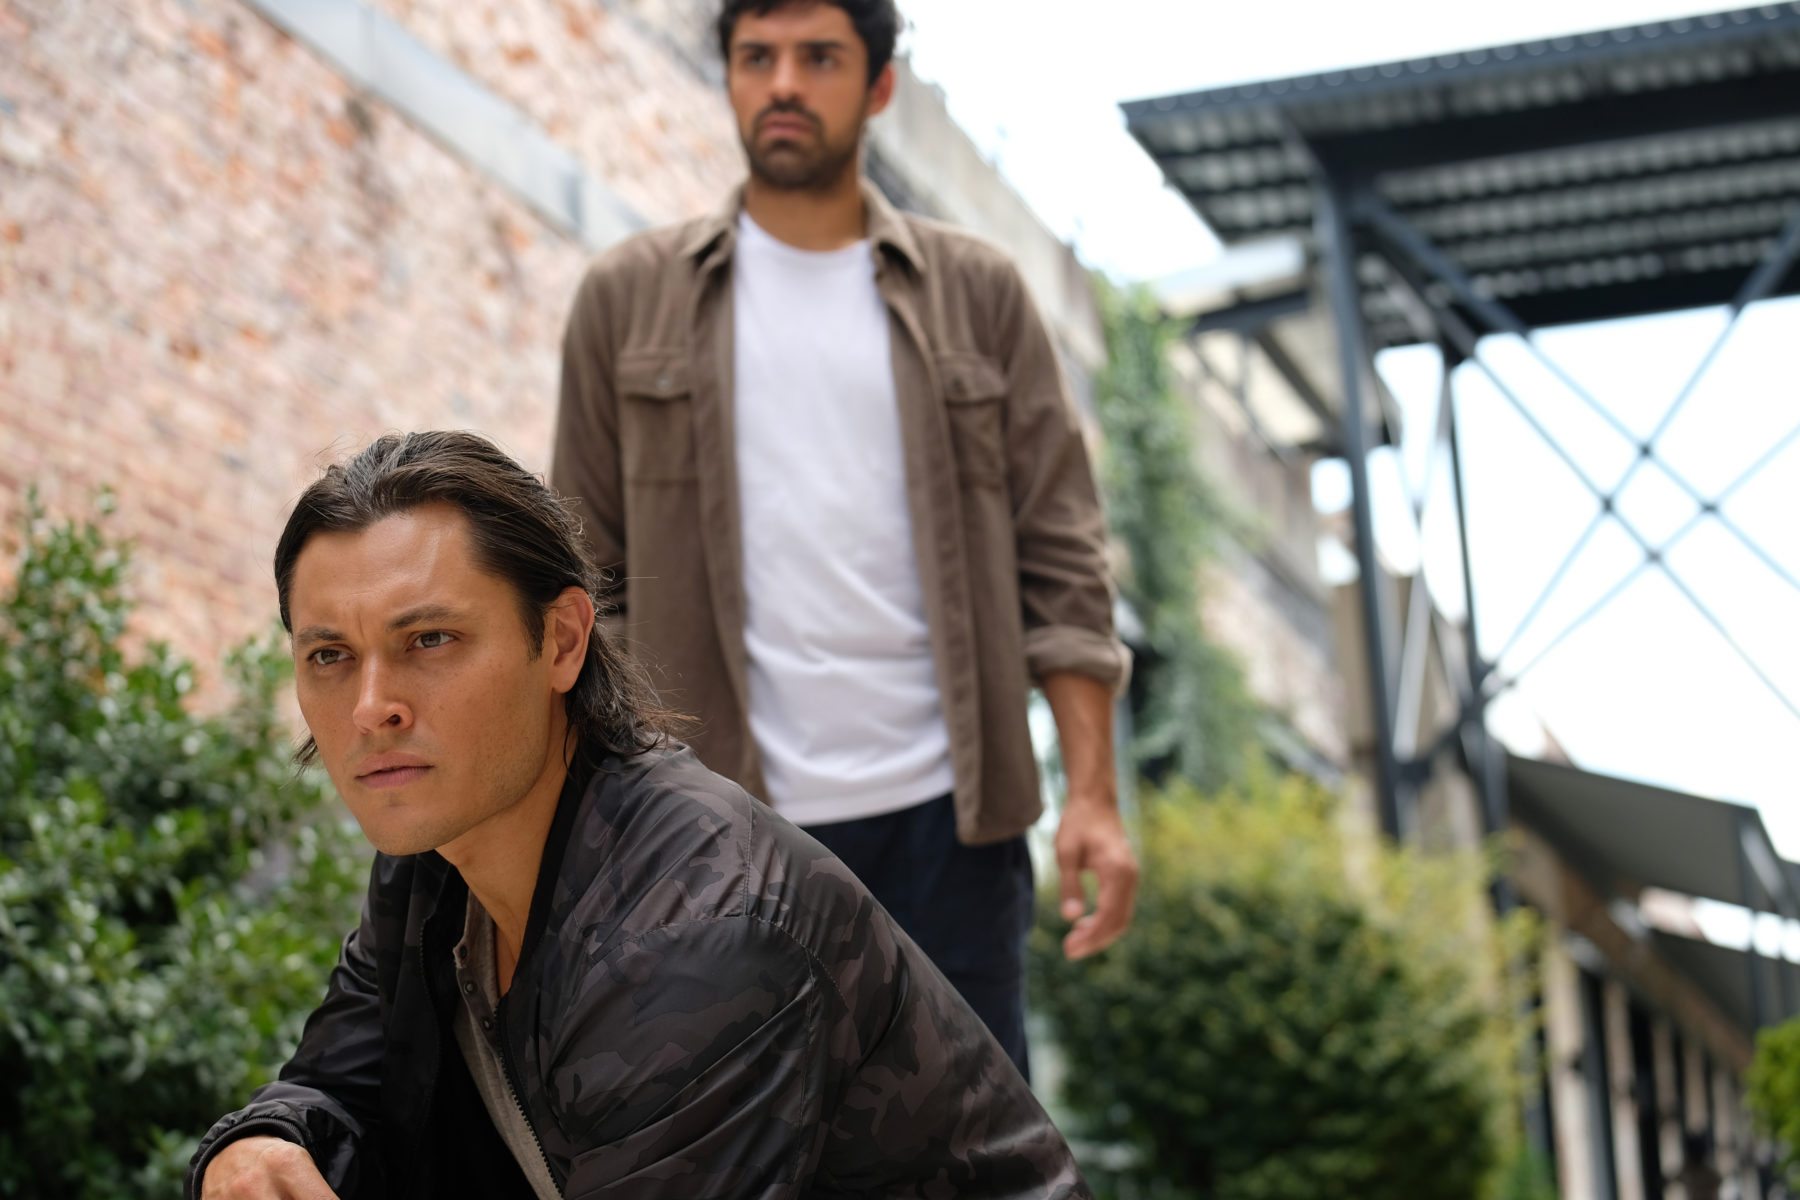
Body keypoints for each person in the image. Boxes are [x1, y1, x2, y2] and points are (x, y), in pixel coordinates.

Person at [185, 431, 1090, 1199]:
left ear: (563, 641)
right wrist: (257, 1145)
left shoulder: (697, 932)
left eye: (430, 639)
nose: (370, 707)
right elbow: (341, 1088)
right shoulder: (437, 858)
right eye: (330, 655)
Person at [550, 0, 1137, 1076]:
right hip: (716, 830)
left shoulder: (979, 296)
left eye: (819, 57)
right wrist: (616, 813)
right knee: (745, 1147)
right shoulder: (626, 301)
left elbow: (1062, 561)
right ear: (730, 77)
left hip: (951, 832)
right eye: (756, 57)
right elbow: (584, 591)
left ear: (878, 87)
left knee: (970, 1147)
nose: (783, 83)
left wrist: (1092, 795)